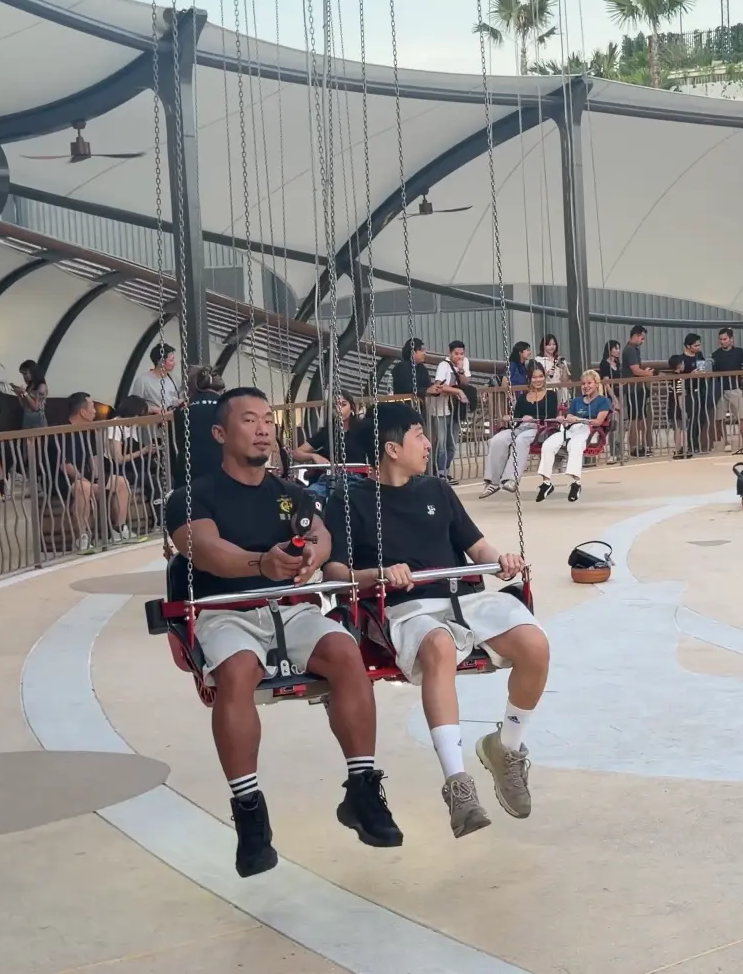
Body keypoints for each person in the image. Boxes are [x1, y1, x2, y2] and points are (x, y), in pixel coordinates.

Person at [165, 387, 402, 876]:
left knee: (345, 652)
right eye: (248, 420)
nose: (262, 429)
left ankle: (362, 787)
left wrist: (312, 553)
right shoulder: (192, 497)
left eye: (268, 420)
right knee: (237, 671)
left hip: (288, 609)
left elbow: (319, 531)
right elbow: (203, 548)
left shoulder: (288, 492)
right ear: (220, 433)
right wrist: (260, 563)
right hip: (226, 610)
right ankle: (249, 810)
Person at [326, 403, 549, 839]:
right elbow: (335, 574)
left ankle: (505, 748)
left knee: (535, 644)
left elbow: (477, 547)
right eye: (418, 436)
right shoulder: (348, 500)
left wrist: (500, 560)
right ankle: (458, 783)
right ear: (392, 448)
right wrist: (379, 575)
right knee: (439, 647)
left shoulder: (436, 491)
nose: (429, 443)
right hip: (407, 607)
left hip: (461, 599)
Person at [49, 392, 134, 548]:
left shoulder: (90, 431)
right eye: (92, 408)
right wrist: (87, 480)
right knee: (83, 487)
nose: (95, 411)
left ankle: (119, 529)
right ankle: (83, 536)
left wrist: (98, 479)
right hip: (64, 480)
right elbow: (65, 466)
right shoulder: (62, 432)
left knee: (121, 482)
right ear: (82, 412)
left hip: (87, 478)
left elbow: (94, 459)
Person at [482, 365, 556, 497]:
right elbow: (517, 416)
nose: (537, 380)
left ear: (544, 377)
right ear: (529, 378)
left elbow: (552, 414)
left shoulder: (551, 395)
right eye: (534, 377)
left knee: (520, 441)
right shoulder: (523, 397)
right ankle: (493, 481)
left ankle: (511, 478)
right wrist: (510, 418)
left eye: (540, 376)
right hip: (520, 426)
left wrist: (534, 418)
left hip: (538, 427)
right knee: (496, 440)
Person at [537, 369, 610, 501]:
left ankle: (576, 483)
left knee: (575, 445)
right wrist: (564, 419)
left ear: (596, 384)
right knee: (548, 444)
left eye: (589, 383)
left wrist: (580, 419)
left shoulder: (603, 401)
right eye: (583, 384)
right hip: (572, 428)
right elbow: (569, 416)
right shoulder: (577, 401)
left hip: (590, 429)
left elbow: (599, 421)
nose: (586, 386)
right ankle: (546, 482)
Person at [292, 392, 359, 501]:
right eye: (335, 406)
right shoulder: (327, 432)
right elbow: (296, 453)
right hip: (328, 480)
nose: (339, 409)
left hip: (356, 480)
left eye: (343, 405)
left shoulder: (362, 430)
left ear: (352, 408)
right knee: (307, 497)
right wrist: (313, 456)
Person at [426, 341, 472, 481]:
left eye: (461, 354)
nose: (459, 356)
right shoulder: (443, 365)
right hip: (441, 409)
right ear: (450, 353)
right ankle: (437, 472)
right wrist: (457, 391)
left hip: (456, 409)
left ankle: (445, 471)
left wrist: (461, 370)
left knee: (452, 443)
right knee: (441, 442)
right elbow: (439, 385)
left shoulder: (464, 363)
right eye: (456, 354)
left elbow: (465, 382)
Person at [175, 367, 226, 486]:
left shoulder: (183, 410)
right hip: (221, 468)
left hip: (188, 471)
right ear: (222, 389)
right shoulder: (228, 408)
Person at [708, 328, 743, 453]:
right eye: (721, 339)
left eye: (725, 339)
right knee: (719, 418)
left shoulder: (739, 352)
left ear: (731, 339)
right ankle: (725, 441)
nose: (722, 341)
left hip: (735, 389)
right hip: (721, 391)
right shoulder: (715, 355)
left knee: (742, 417)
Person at [621, 325, 655, 458]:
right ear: (635, 336)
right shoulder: (630, 350)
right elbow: (635, 370)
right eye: (642, 338)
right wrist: (647, 374)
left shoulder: (633, 349)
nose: (643, 341)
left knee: (639, 418)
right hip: (633, 389)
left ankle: (639, 446)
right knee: (635, 418)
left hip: (637, 388)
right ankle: (634, 447)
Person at [596, 340, 627, 463]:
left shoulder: (618, 364)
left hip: (621, 393)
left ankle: (621, 452)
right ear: (610, 350)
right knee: (613, 425)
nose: (618, 351)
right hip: (611, 396)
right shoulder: (604, 364)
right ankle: (613, 453)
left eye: (619, 348)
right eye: (616, 348)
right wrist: (613, 398)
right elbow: (606, 383)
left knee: (622, 425)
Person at [130, 343, 183, 412]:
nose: (174, 363)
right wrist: (152, 409)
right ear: (160, 362)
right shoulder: (143, 381)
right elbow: (134, 405)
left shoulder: (175, 378)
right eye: (171, 360)